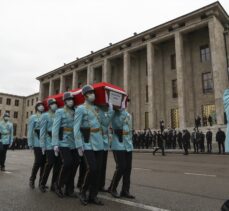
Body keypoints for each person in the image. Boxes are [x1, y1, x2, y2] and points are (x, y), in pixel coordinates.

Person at [74, 85, 105, 206]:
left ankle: (93, 195)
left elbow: (105, 123)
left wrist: (110, 110)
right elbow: (76, 128)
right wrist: (78, 145)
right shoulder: (81, 109)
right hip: (87, 142)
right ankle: (83, 192)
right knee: (92, 168)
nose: (93, 94)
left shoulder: (97, 109)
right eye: (90, 92)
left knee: (98, 171)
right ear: (85, 95)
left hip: (99, 142)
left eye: (93, 92)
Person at [52, 92, 80, 198]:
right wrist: (55, 143)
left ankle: (69, 189)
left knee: (75, 163)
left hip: (73, 141)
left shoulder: (75, 111)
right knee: (67, 163)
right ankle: (58, 185)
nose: (71, 101)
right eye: (68, 100)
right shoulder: (59, 111)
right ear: (65, 101)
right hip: (63, 141)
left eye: (72, 100)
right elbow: (55, 127)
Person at [108, 101, 135, 199]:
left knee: (128, 168)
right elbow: (117, 124)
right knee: (121, 167)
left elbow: (130, 130)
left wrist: (131, 143)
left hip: (128, 144)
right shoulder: (114, 114)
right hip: (118, 144)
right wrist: (116, 109)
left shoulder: (128, 115)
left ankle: (125, 190)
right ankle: (113, 188)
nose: (123, 105)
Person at [39, 98, 61, 193]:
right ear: (49, 106)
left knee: (58, 164)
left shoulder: (59, 114)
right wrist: (42, 145)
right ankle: (42, 183)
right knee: (50, 163)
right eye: (52, 104)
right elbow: (42, 131)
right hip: (48, 143)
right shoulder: (45, 116)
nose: (54, 105)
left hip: (57, 142)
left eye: (55, 103)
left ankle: (54, 184)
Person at [28, 101, 46, 189]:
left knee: (44, 163)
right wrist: (30, 143)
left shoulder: (46, 116)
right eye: (39, 105)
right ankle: (32, 179)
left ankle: (41, 182)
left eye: (42, 105)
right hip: (37, 142)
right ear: (36, 107)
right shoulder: (33, 117)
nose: (42, 107)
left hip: (46, 142)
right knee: (38, 161)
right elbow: (30, 130)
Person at [98, 104, 114, 192]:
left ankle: (101, 185)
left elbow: (107, 128)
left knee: (103, 165)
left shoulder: (104, 112)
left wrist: (110, 136)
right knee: (97, 166)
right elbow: (105, 123)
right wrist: (111, 111)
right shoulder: (98, 111)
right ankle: (94, 185)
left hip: (105, 142)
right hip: (98, 142)